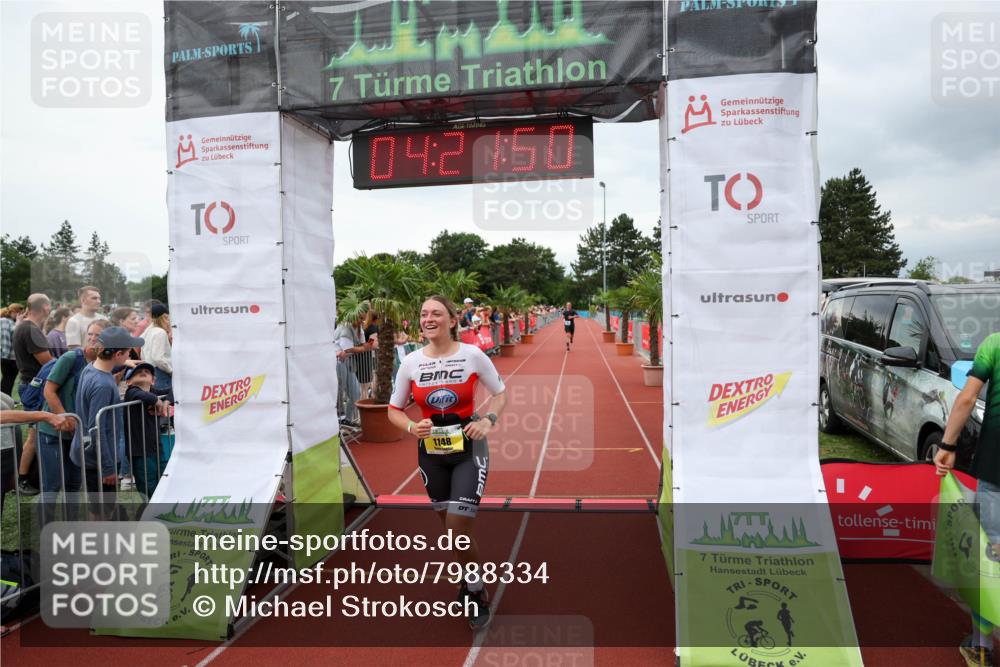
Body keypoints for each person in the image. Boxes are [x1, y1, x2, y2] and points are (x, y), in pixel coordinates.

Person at [387, 295, 507, 630]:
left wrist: (488, 420)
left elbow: (500, 392)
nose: (429, 319)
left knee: (456, 526)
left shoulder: (472, 355)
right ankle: (469, 579)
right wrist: (413, 427)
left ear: (452, 320)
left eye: (436, 313)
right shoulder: (410, 362)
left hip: (469, 450)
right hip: (432, 455)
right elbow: (393, 410)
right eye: (424, 314)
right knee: (454, 531)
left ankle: (476, 590)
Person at [935, 331, 1000, 667]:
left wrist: (947, 446)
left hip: (996, 468)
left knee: (991, 560)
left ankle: (981, 647)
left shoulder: (994, 344)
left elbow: (965, 399)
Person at [37, 319, 111, 518]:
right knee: (51, 487)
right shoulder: (71, 358)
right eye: (91, 334)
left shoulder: (102, 365)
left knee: (73, 487)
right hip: (53, 433)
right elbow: (49, 390)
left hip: (78, 437)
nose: (93, 339)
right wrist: (65, 417)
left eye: (99, 336)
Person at [70, 326, 144, 517]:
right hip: (100, 461)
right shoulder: (103, 385)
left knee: (98, 508)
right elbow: (97, 428)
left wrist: (123, 364)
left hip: (90, 455)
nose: (130, 354)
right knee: (103, 512)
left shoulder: (91, 368)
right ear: (118, 353)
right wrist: (109, 467)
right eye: (128, 351)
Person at [12, 294, 53, 496]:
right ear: (45, 307)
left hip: (31, 384)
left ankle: (31, 477)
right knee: (34, 435)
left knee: (37, 434)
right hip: (33, 387)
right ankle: (23, 479)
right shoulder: (30, 328)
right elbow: (48, 362)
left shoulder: (27, 326)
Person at [122, 362, 170, 499]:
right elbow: (141, 395)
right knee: (148, 489)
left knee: (163, 482)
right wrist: (157, 401)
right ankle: (148, 515)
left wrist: (166, 400)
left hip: (156, 449)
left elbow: (174, 390)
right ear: (129, 381)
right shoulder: (131, 392)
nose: (143, 372)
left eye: (147, 372)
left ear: (153, 381)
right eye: (138, 372)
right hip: (140, 452)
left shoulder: (154, 392)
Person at [141, 303, 172, 395]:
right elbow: (158, 358)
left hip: (150, 371)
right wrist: (171, 371)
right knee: (164, 403)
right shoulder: (160, 332)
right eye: (167, 318)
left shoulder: (148, 331)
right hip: (160, 373)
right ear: (164, 317)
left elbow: (143, 354)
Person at [0, 306, 21, 397]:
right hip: (7, 357)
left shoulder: (12, 322)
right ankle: (4, 399)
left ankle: (8, 398)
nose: (19, 315)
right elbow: (5, 338)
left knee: (10, 379)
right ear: (13, 311)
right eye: (19, 313)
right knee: (7, 379)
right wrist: (5, 356)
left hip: (13, 357)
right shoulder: (4, 320)